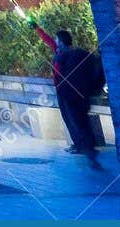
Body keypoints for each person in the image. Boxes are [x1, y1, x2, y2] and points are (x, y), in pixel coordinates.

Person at [33, 23, 104, 165]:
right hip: (80, 92)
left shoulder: (62, 54)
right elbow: (48, 40)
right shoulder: (70, 52)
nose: (55, 41)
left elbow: (60, 73)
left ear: (60, 41)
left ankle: (83, 146)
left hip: (67, 92)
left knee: (73, 119)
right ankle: (85, 146)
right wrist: (36, 28)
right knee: (79, 119)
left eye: (57, 39)